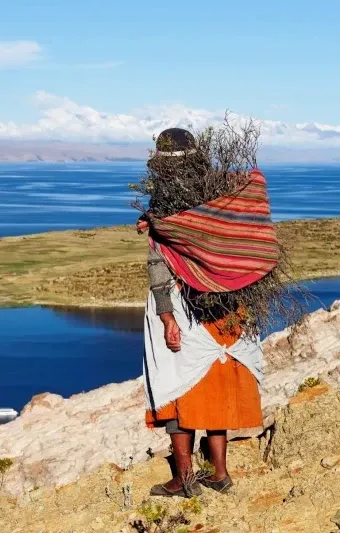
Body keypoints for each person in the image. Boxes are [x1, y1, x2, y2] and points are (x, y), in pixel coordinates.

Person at [137, 127, 278, 498]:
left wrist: (167, 317)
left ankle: (184, 479)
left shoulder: (167, 202)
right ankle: (219, 473)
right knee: (217, 381)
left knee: (176, 384)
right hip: (230, 301)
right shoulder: (222, 190)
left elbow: (160, 266)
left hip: (184, 304)